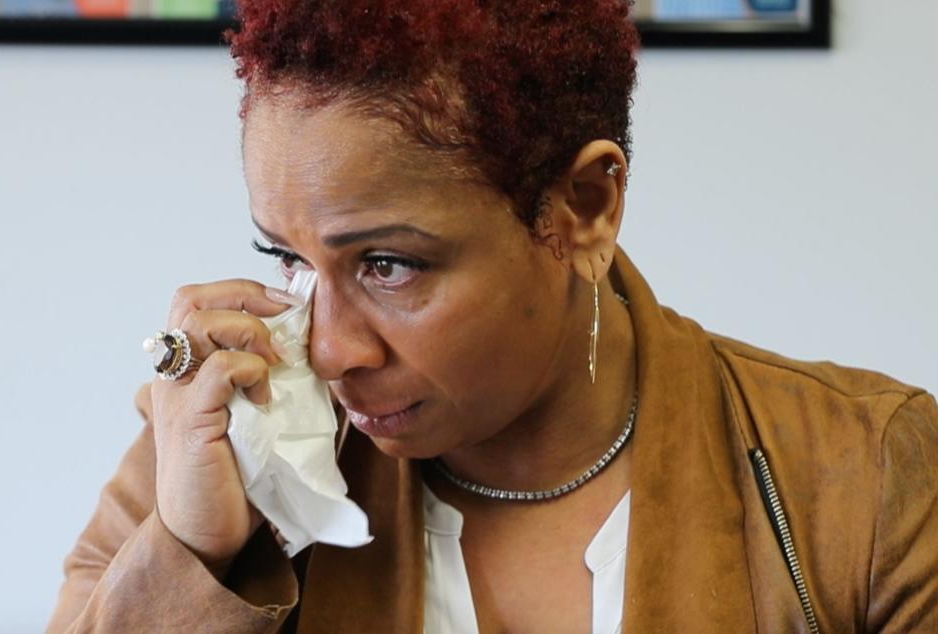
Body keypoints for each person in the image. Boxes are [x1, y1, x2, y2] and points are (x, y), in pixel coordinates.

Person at [46, 1, 938, 632]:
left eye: (389, 264)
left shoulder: (865, 472)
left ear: (584, 206)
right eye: (285, 258)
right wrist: (197, 557)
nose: (323, 349)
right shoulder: (211, 468)